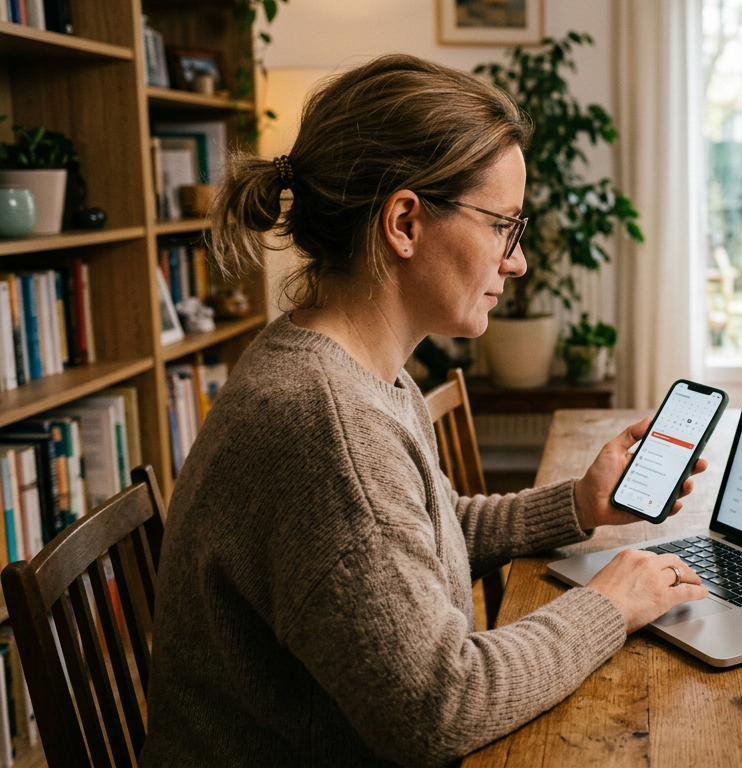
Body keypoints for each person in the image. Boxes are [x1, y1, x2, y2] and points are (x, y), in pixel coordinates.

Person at [141, 55, 710, 766]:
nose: (519, 261)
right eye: (504, 224)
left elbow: (417, 534)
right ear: (404, 221)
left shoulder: (357, 370)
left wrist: (578, 504)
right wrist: (609, 605)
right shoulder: (324, 424)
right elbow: (441, 707)